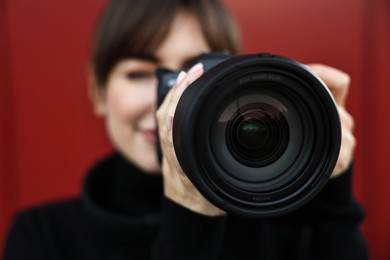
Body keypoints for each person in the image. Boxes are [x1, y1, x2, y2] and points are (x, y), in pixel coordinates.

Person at [4, 0, 368, 259]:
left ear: (236, 85)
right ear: (97, 91)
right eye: (140, 74)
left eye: (195, 75)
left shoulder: (278, 223)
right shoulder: (43, 237)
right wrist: (191, 214)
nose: (168, 102)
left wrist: (326, 191)